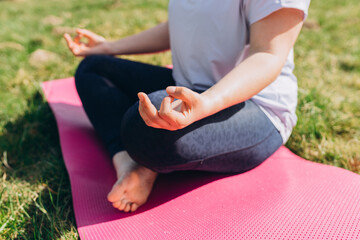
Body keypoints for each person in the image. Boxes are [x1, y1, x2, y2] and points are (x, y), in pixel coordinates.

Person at [64, 0, 311, 213]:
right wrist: (110, 47)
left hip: (255, 106)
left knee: (144, 123)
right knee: (94, 67)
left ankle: (145, 159)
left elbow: (268, 55)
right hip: (189, 88)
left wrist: (206, 104)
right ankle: (128, 160)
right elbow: (180, 27)